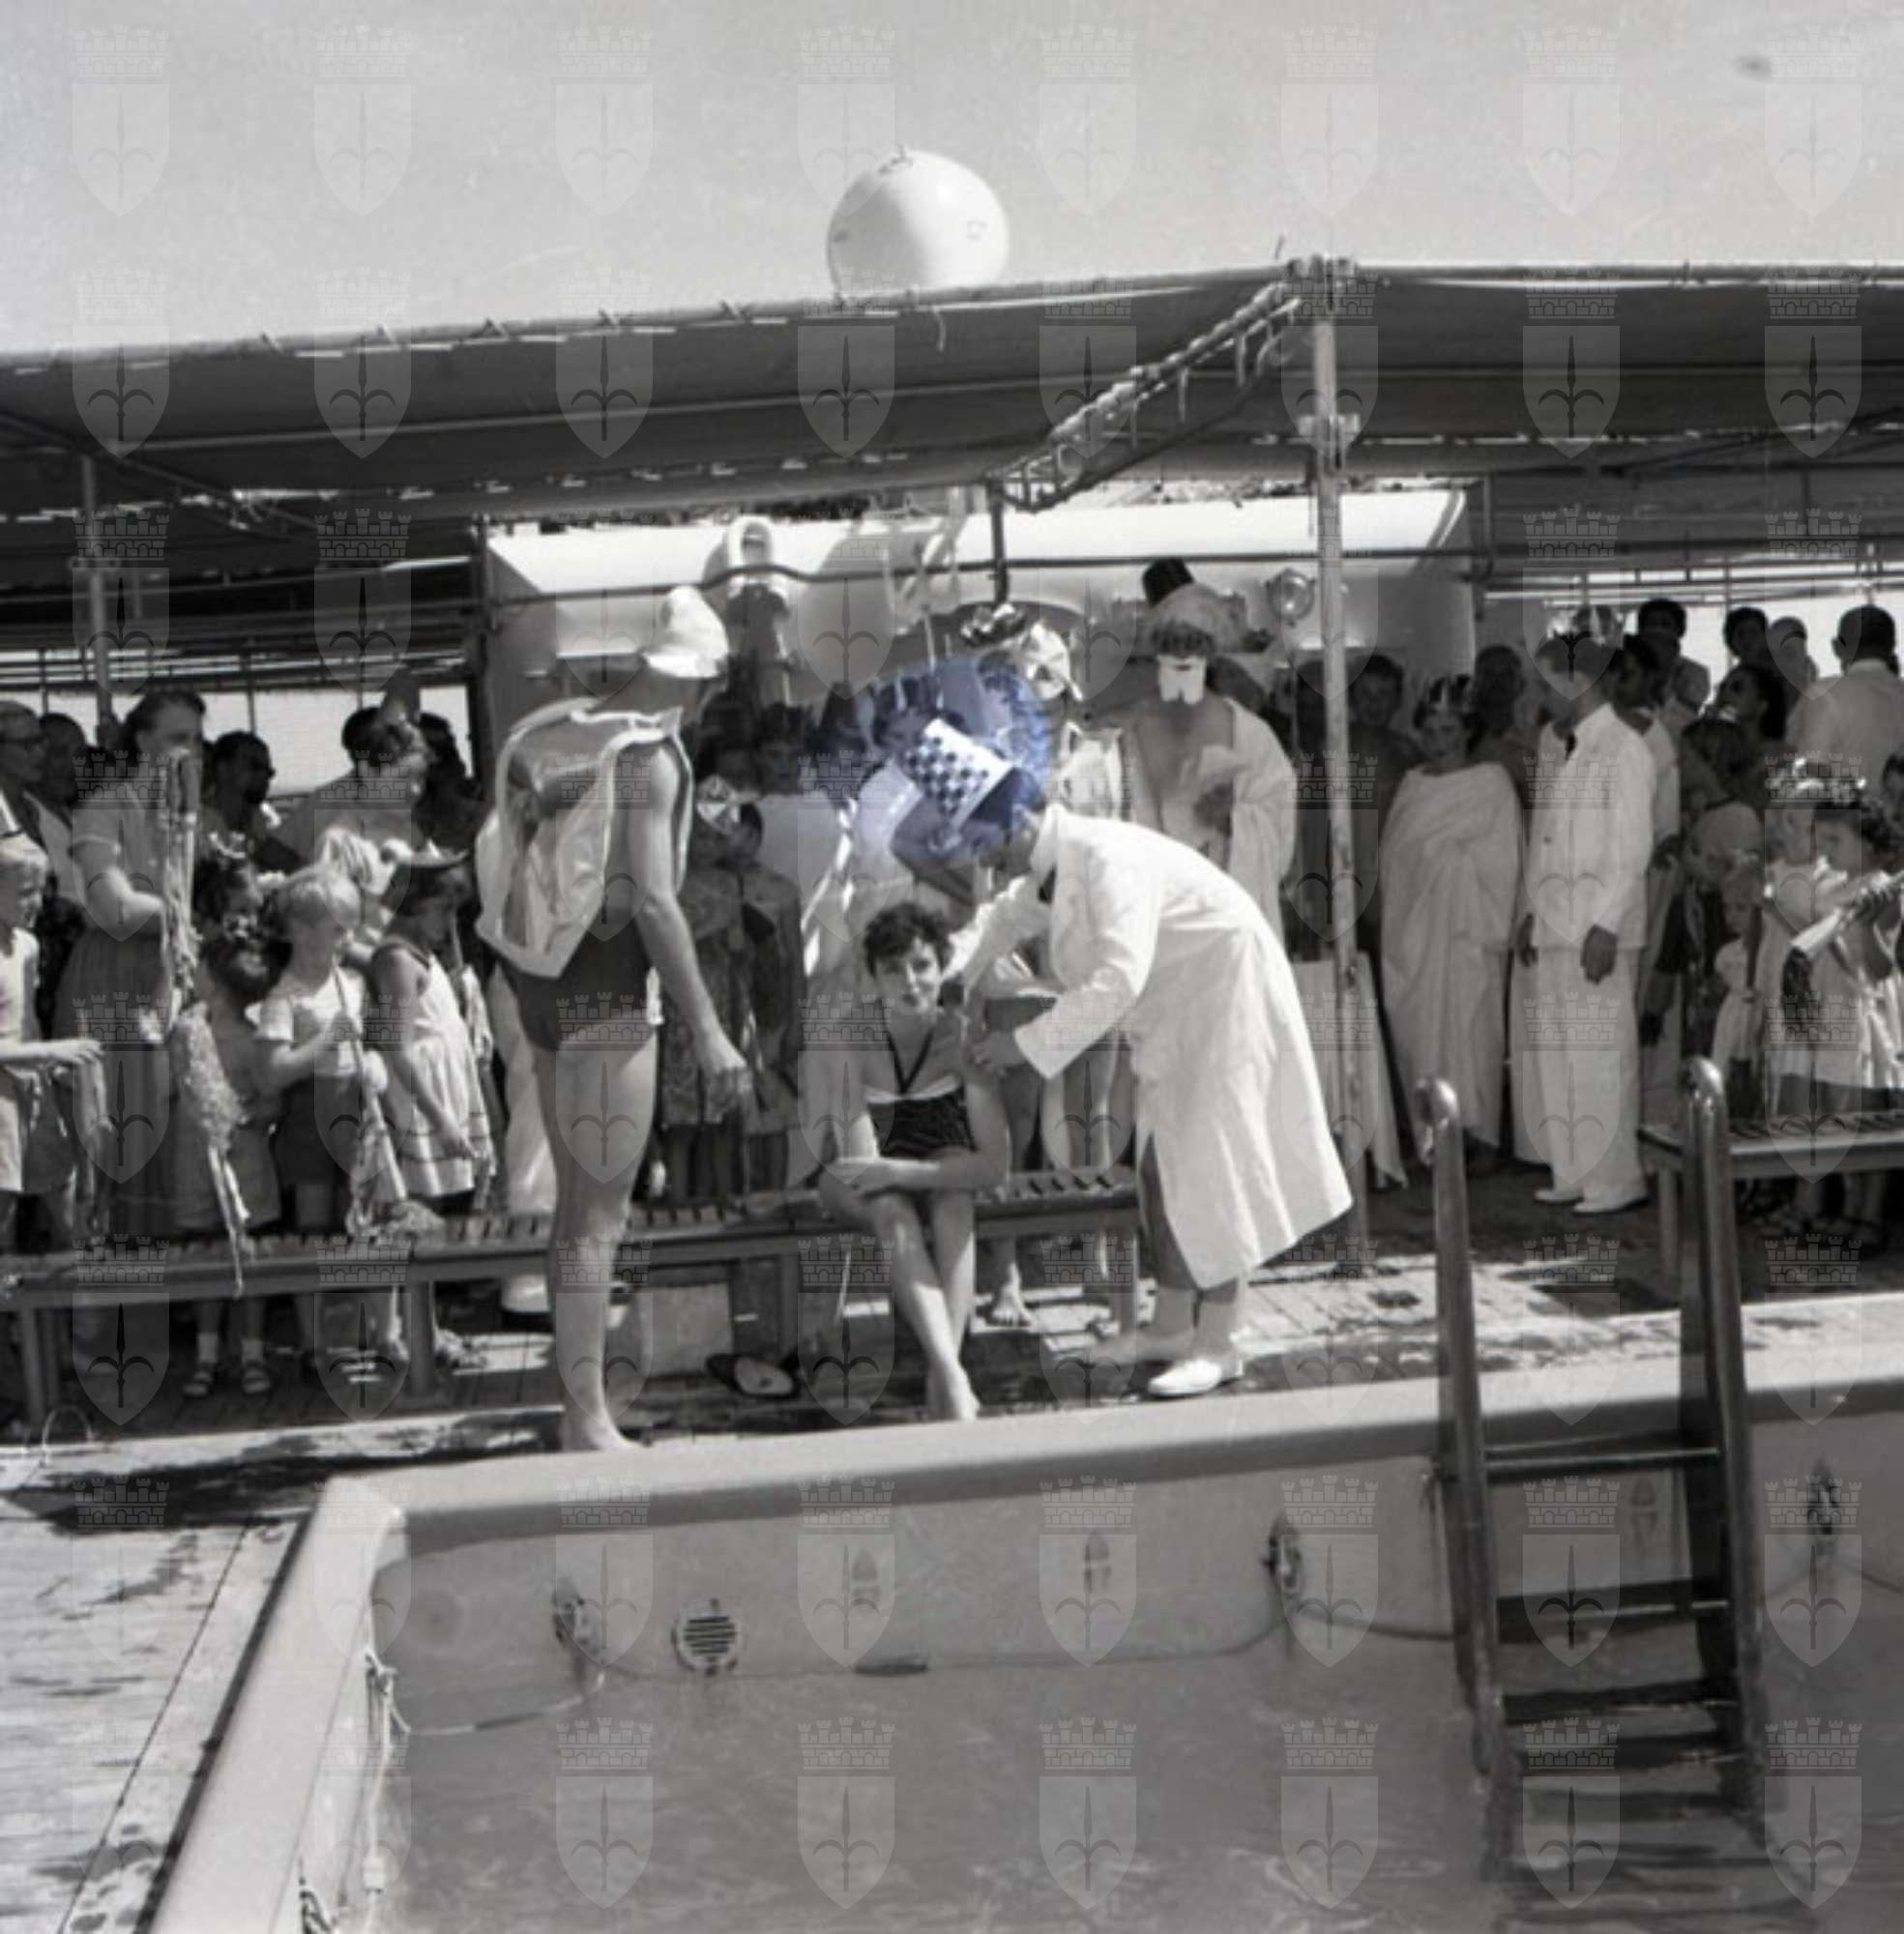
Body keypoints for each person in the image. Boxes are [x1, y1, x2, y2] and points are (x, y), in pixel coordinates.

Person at [953, 722, 1352, 1398]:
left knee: (1215, 1166)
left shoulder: (1105, 856)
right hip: (1176, 1017)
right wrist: (944, 978)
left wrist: (1018, 1046)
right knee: (1159, 1168)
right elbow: (999, 920)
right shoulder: (1049, 869)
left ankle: (1219, 1343)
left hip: (1225, 997)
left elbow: (1117, 980)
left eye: (981, 840)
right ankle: (1170, 1325)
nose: (979, 857)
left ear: (1017, 821)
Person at [474, 585, 750, 1453]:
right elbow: (655, 904)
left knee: (573, 1214)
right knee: (600, 1219)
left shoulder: (548, 729)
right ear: (698, 678)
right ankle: (586, 1416)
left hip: (540, 987)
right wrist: (709, 1030)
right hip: (610, 993)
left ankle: (581, 1404)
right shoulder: (648, 757)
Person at [812, 903, 1010, 1422]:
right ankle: (951, 1377)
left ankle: (943, 1378)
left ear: (942, 968)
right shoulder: (849, 1038)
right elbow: (863, 1168)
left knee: (954, 1202)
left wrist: (906, 1173)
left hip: (932, 1161)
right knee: (894, 1212)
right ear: (873, 978)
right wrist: (904, 1176)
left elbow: (994, 1166)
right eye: (893, 969)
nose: (909, 981)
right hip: (855, 1176)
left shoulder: (962, 1038)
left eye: (921, 965)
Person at [1511, 631, 1655, 1216]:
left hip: (1595, 926)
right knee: (1561, 1056)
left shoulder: (1624, 748)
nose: (1540, 696)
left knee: (1600, 1055)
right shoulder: (1564, 747)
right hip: (1555, 924)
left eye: (1546, 683)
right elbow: (1547, 838)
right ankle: (1574, 1170)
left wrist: (1608, 925)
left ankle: (1616, 1177)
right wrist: (1531, 912)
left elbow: (1632, 847)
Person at [57, 683, 207, 1237]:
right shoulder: (104, 807)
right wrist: (188, 917)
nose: (189, 751)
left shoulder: (191, 815)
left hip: (174, 974)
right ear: (142, 741)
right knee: (119, 1130)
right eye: (177, 738)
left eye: (197, 739)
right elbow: (113, 907)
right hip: (116, 979)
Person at [1379, 678, 1521, 1165]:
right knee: (1420, 1029)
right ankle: (1434, 1131)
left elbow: (1504, 856)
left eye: (1449, 730)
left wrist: (1450, 862)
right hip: (1415, 930)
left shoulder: (1490, 783)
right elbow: (1394, 856)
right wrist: (1429, 859)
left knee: (1471, 1025)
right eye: (1431, 730)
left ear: (1467, 732)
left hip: (1466, 928)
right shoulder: (1413, 785)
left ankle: (1479, 1133)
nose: (1438, 741)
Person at [369, 854, 494, 1372]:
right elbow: (397, 1046)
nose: (450, 922)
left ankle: (423, 1323)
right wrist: (440, 1118)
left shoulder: (425, 954)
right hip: (417, 1105)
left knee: (429, 1221)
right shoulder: (397, 960)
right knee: (408, 1220)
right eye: (443, 910)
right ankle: (394, 1331)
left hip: (443, 1093)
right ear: (415, 905)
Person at [1122, 579, 1297, 945]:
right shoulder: (1129, 736)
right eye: (1172, 644)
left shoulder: (1251, 735)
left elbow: (1279, 820)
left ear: (1211, 653)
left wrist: (1234, 820)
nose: (1182, 654)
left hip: (1225, 915)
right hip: (1154, 917)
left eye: (1194, 644)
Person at [175, 921, 284, 1400]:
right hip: (196, 1164)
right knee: (204, 1260)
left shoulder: (252, 1039)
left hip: (245, 1165)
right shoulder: (186, 1033)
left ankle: (252, 1353)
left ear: (216, 982)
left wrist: (239, 1116)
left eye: (199, 968)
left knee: (250, 1258)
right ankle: (206, 1355)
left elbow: (272, 1105)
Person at [311, 713, 431, 966]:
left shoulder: (415, 835)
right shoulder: (340, 844)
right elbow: (327, 937)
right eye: (402, 777)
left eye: (421, 776)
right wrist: (387, 969)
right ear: (367, 772)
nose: (415, 789)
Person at [1786, 604, 1904, 796]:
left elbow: (1809, 774)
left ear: (1837, 647)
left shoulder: (1824, 694)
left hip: (1843, 813)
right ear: (1892, 646)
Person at [201, 732, 303, 875]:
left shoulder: (256, 815)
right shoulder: (199, 824)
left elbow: (275, 855)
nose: (264, 776)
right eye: (254, 767)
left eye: (269, 771)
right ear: (223, 769)